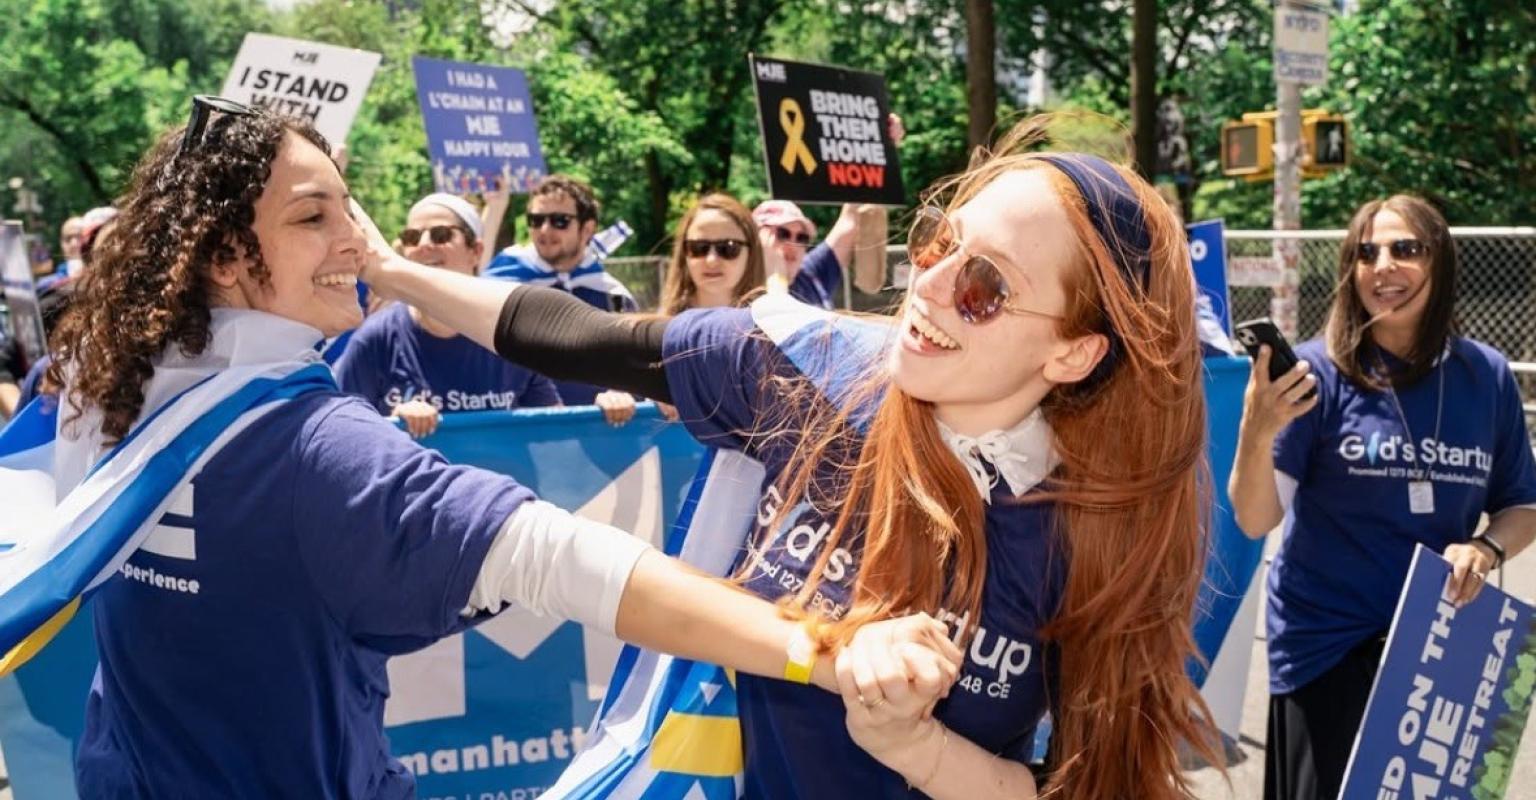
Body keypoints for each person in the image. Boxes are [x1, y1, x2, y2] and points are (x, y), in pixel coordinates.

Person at [18, 97, 959, 798]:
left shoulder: (100, 385)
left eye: (352, 207)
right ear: (223, 256)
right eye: (315, 216)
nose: (352, 233)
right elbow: (585, 565)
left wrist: (373, 265)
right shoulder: (319, 451)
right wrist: (833, 650)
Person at [359, 118, 1222, 799]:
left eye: (983, 286)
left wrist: (914, 746)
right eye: (936, 240)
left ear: (1072, 353)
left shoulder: (1093, 533)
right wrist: (390, 273)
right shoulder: (805, 373)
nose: (925, 285)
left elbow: (1084, 786)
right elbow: (584, 337)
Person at [1227, 194, 1536, 800]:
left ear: (1441, 262)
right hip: (1328, 651)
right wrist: (1256, 432)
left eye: (1406, 249)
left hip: (1442, 652)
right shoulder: (1317, 374)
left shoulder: (1488, 376)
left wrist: (1487, 548)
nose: (1382, 266)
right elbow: (1254, 515)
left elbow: (1522, 506)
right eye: (1366, 253)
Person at [334, 192, 559, 439]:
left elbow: (558, 431)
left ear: (476, 251)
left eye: (441, 235)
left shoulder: (512, 336)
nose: (424, 244)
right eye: (412, 237)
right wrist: (391, 422)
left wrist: (605, 411)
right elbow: (339, 428)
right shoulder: (376, 339)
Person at [484, 175, 638, 424]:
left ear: (587, 229)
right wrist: (493, 210)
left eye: (559, 221)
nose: (545, 230)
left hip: (596, 438)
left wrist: (620, 393)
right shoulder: (504, 283)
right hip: (519, 437)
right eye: (536, 220)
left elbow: (635, 371)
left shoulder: (613, 297)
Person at [752, 114, 904, 310]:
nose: (794, 243)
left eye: (802, 238)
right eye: (782, 233)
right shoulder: (732, 289)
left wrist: (878, 145)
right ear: (757, 238)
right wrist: (774, 276)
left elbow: (851, 219)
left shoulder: (812, 274)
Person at [657, 193, 766, 315]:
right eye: (698, 248)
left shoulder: (770, 325)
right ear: (683, 254)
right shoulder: (663, 327)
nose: (711, 260)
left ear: (751, 254)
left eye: (728, 248)